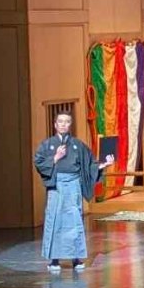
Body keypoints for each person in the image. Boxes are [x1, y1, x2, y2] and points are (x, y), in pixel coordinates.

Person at [34, 111, 115, 272]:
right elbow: (39, 162)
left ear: (70, 125)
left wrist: (103, 165)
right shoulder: (47, 144)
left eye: (67, 122)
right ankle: (54, 260)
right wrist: (55, 158)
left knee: (74, 220)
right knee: (55, 220)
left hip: (73, 185)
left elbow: (89, 165)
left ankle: (76, 258)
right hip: (56, 185)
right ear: (55, 124)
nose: (63, 124)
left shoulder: (78, 145)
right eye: (60, 121)